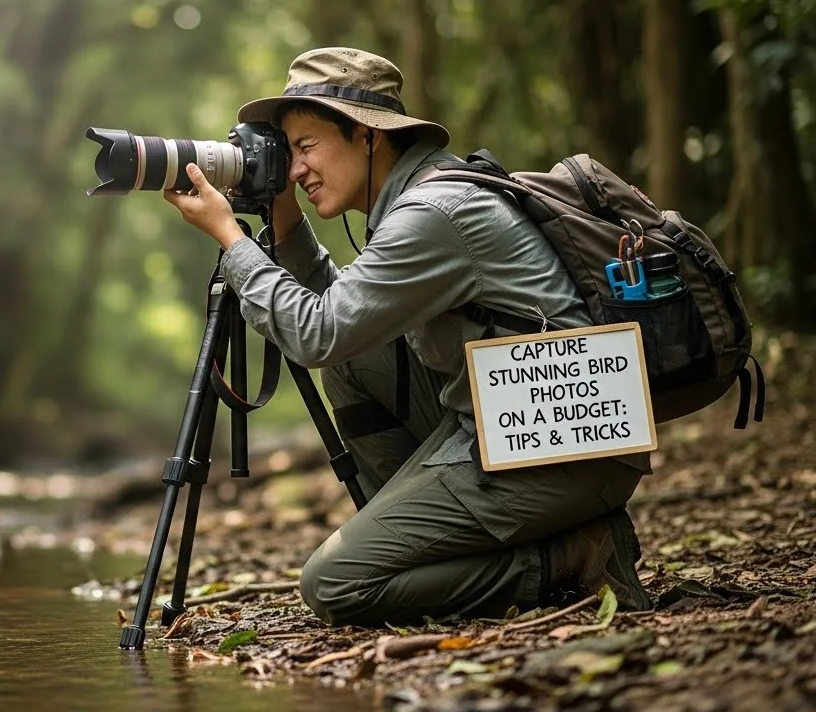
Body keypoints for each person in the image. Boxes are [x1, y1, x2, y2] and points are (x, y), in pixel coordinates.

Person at [162, 47, 653, 626]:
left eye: (307, 147)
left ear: (368, 135)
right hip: (525, 423)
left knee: (332, 584)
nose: (294, 170)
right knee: (354, 360)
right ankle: (421, 545)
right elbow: (346, 321)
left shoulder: (433, 213)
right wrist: (285, 222)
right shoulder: (427, 191)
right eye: (288, 153)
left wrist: (232, 241)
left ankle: (573, 557)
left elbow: (317, 332)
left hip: (561, 448)